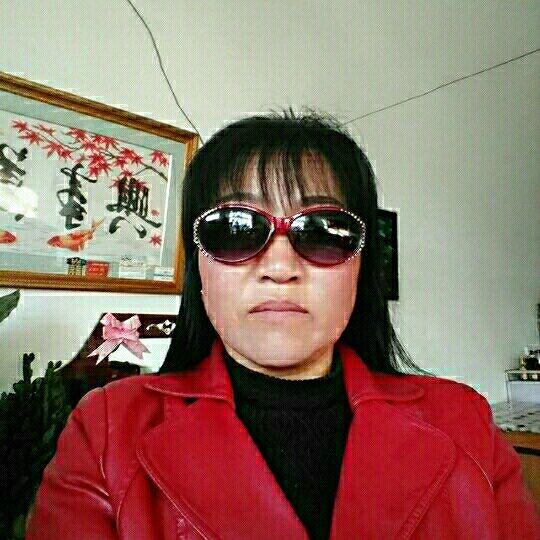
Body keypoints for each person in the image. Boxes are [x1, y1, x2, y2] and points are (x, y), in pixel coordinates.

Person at [27, 111, 539, 539]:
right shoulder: (105, 433)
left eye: (322, 231)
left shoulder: (466, 424)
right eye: (234, 228)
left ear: (361, 267)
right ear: (198, 268)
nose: (279, 266)